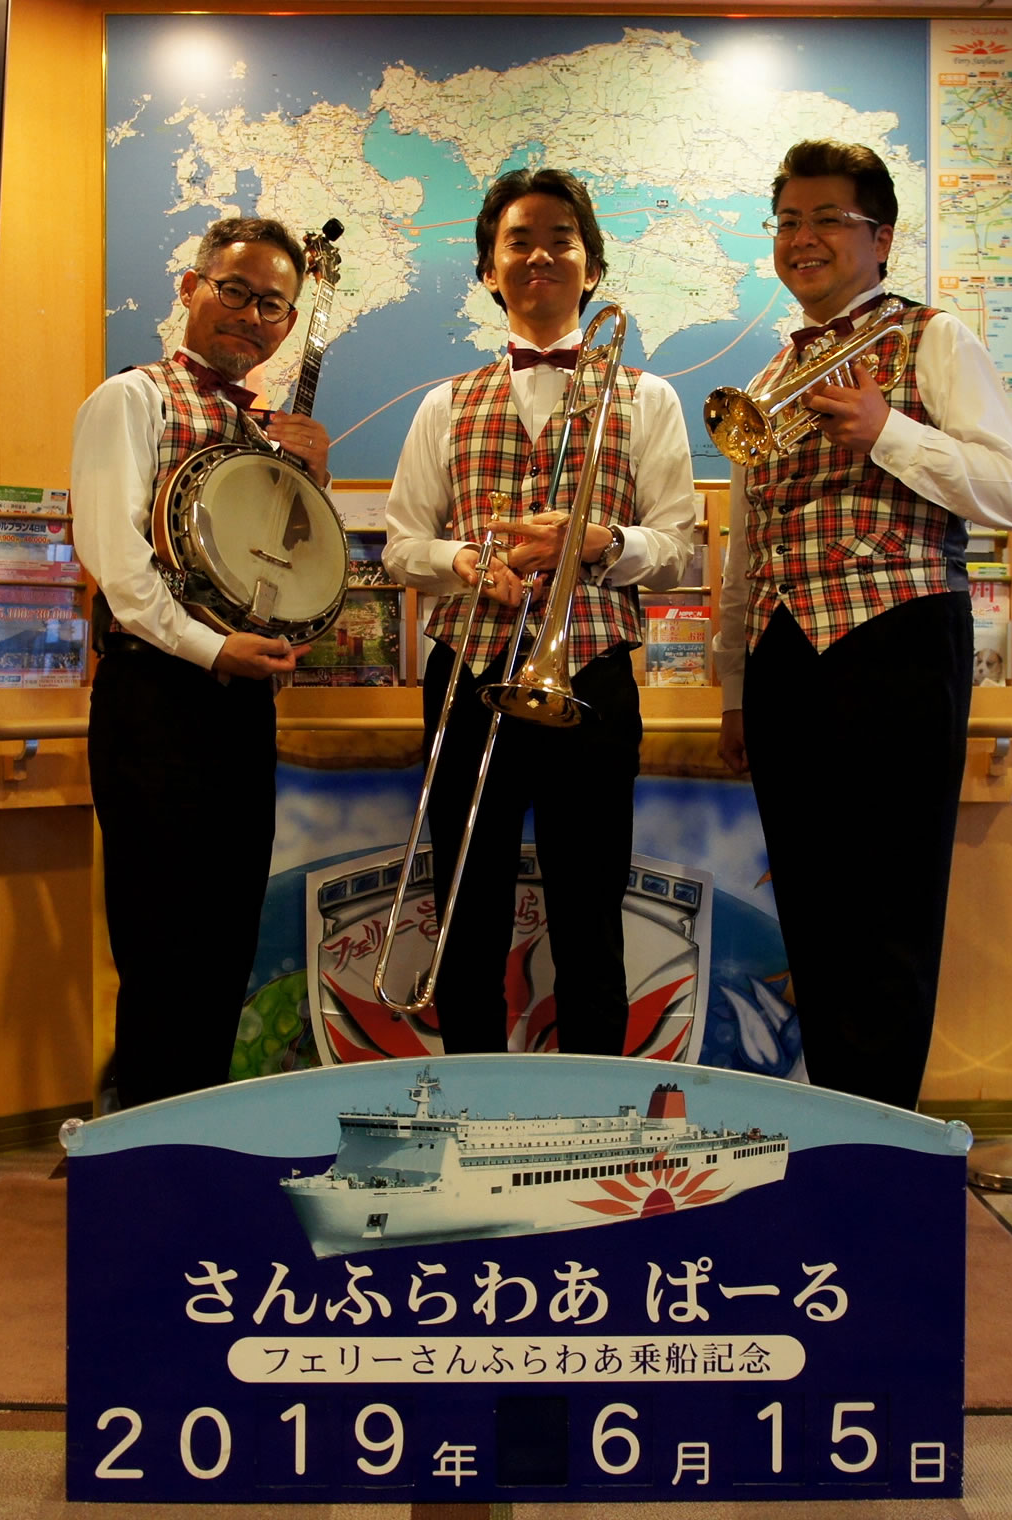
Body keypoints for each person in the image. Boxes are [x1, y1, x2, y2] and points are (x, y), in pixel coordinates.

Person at [713, 140, 1012, 1111]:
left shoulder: (935, 339)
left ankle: (883, 1137)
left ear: (881, 237)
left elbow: (1011, 492)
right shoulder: (768, 376)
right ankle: (836, 1124)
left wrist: (886, 430)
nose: (802, 238)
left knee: (888, 912)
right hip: (786, 657)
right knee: (811, 913)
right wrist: (736, 687)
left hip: (896, 643)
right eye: (787, 222)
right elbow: (748, 547)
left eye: (827, 219)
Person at [384, 168, 699, 1058]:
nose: (539, 256)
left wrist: (601, 544)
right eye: (517, 241)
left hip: (590, 674)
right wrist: (463, 562)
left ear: (592, 267)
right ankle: (469, 1099)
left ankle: (595, 1107)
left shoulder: (650, 397)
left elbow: (677, 549)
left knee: (590, 913)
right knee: (466, 914)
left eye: (562, 239)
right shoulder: (444, 402)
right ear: (489, 271)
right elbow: (403, 545)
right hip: (468, 675)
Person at [69, 216, 332, 1109]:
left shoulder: (265, 429)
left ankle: (202, 1137)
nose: (252, 316)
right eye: (235, 291)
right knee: (160, 944)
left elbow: (292, 567)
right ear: (191, 288)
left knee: (225, 939)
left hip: (239, 704)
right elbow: (117, 563)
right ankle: (148, 1144)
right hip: (154, 698)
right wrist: (213, 647)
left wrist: (315, 476)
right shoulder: (130, 398)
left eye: (273, 305)